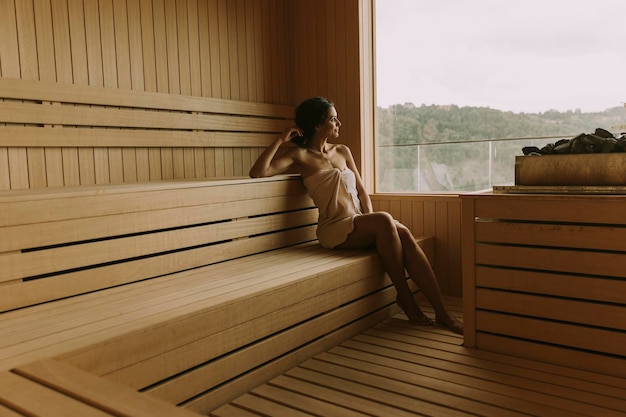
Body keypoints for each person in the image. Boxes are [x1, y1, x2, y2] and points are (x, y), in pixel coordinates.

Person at [249, 96, 463, 335]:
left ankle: (442, 312)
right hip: (334, 229)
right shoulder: (300, 156)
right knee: (386, 221)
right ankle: (406, 298)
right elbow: (258, 172)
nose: (339, 123)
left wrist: (376, 225)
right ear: (318, 125)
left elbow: (361, 190)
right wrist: (280, 139)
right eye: (333, 119)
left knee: (401, 232)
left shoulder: (343, 151)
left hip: (359, 223)